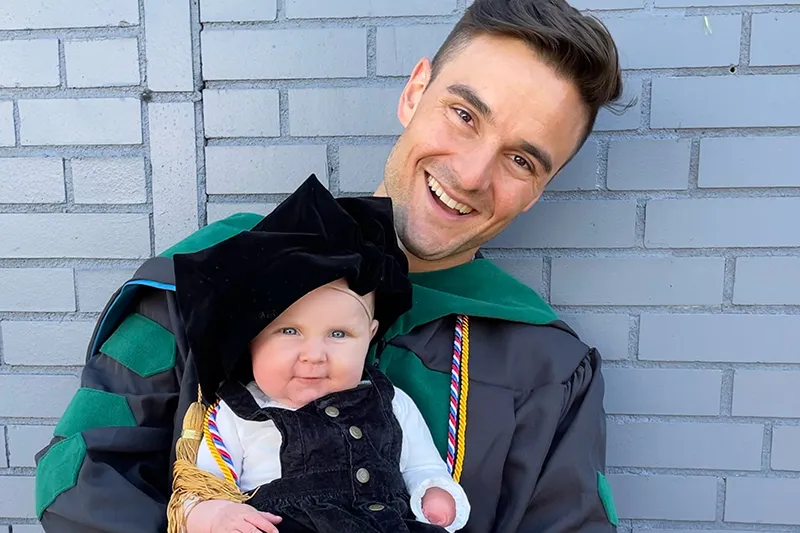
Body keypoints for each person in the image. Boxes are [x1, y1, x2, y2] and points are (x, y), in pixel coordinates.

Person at [34, 0, 625, 531]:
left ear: (541, 188)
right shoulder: (214, 268)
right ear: (415, 91)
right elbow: (83, 474)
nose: (471, 174)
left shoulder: (547, 368)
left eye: (521, 159)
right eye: (465, 114)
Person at [166, 176, 470, 533]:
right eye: (289, 332)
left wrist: (435, 495)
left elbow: (422, 468)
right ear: (251, 339)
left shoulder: (390, 403)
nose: (314, 355)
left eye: (338, 334)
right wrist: (212, 515)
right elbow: (198, 487)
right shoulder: (236, 415)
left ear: (370, 337)